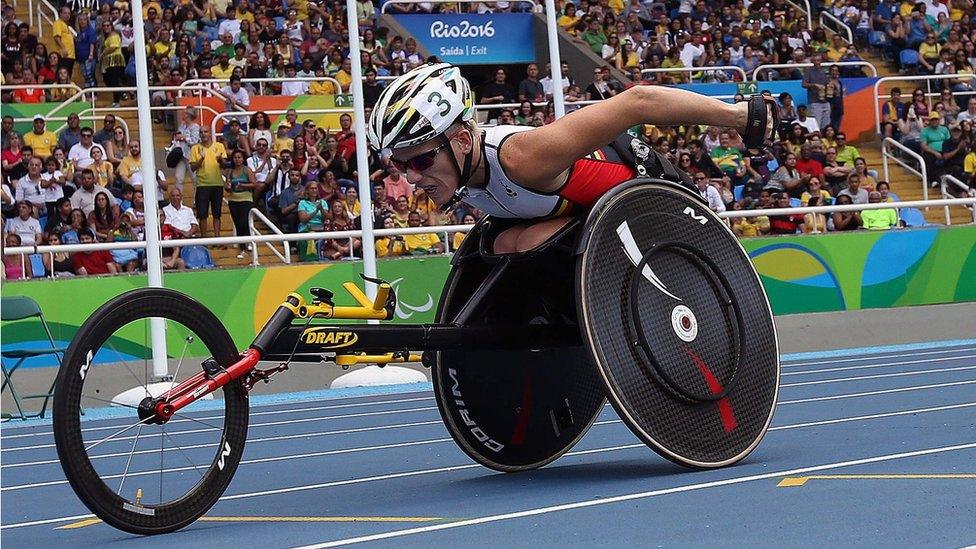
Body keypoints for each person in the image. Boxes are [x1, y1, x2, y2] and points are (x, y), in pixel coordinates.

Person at [367, 63, 776, 254]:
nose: (410, 177)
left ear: (460, 139)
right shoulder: (462, 175)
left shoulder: (522, 157)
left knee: (523, 243)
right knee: (503, 244)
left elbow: (639, 101)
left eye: (418, 162)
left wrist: (741, 116)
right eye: (399, 166)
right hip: (590, 216)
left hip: (652, 193)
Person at [189, 128, 227, 240]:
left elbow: (224, 166)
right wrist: (201, 158)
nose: (203, 134)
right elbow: (192, 168)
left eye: (205, 131)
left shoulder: (219, 146)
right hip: (202, 185)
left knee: (217, 213)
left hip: (217, 184)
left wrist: (220, 159)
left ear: (210, 133)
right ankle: (204, 239)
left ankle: (217, 239)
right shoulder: (195, 148)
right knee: (202, 214)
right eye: (201, 132)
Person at [224, 150, 257, 258]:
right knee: (238, 224)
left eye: (239, 157)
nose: (237, 160)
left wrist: (243, 185)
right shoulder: (230, 171)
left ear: (243, 159)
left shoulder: (247, 170)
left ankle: (249, 242)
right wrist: (228, 187)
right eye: (235, 158)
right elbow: (227, 186)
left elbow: (254, 184)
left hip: (246, 199)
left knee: (243, 222)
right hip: (233, 200)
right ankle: (242, 248)